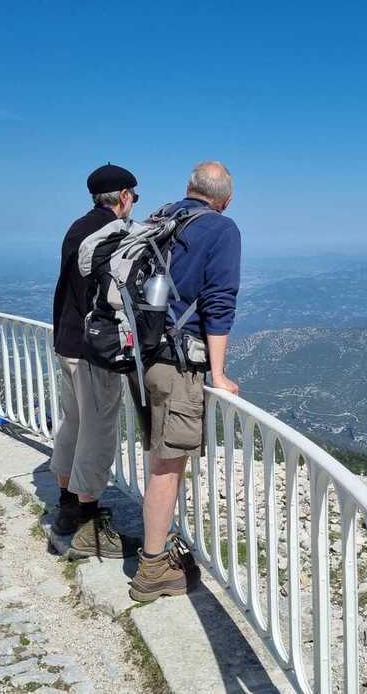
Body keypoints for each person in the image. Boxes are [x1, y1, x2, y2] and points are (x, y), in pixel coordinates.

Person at [128, 161, 241, 602]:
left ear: (190, 189)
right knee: (167, 467)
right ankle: (153, 568)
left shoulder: (163, 217)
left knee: (161, 459)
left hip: (144, 355)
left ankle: (159, 547)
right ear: (225, 200)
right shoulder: (222, 229)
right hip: (177, 362)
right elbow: (219, 302)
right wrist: (218, 373)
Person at [49, 163, 140, 558]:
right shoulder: (114, 234)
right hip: (94, 349)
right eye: (134, 197)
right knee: (98, 430)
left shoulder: (77, 228)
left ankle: (67, 506)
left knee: (73, 422)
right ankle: (89, 523)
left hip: (67, 341)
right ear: (124, 196)